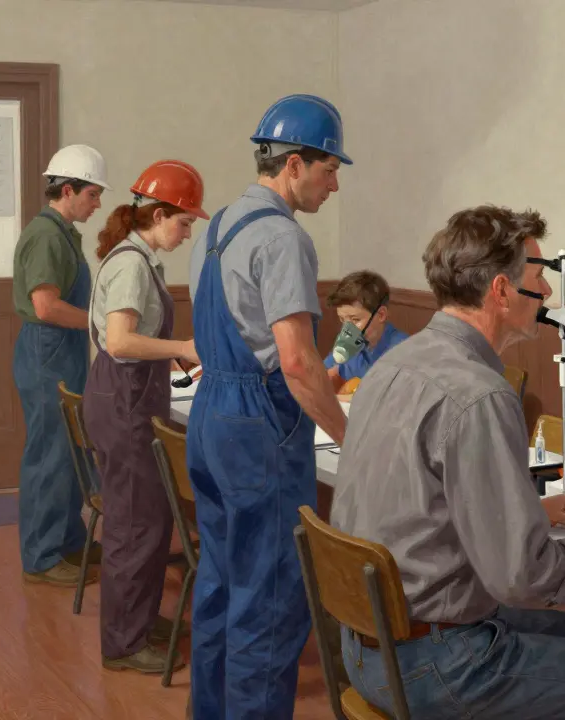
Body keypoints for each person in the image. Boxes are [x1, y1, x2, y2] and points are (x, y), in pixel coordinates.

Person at [330, 205, 565, 720]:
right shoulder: (479, 394)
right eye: (539, 280)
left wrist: (526, 512)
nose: (546, 295)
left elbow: (414, 503)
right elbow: (525, 577)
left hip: (366, 645)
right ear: (501, 291)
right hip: (432, 664)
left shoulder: (393, 366)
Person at [185, 93, 351, 719]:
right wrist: (347, 435)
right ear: (293, 165)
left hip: (211, 416)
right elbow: (299, 363)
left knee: (222, 584)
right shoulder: (283, 237)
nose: (333, 186)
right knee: (272, 598)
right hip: (259, 426)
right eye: (329, 169)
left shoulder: (218, 223)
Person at [82, 160, 206, 674]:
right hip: (124, 400)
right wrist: (182, 345)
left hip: (127, 396)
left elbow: (135, 337)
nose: (185, 234)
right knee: (136, 526)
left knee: (148, 521)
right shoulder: (132, 263)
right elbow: (119, 341)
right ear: (158, 215)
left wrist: (172, 356)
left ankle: (134, 619)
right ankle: (124, 644)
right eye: (183, 223)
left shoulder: (136, 255)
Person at [12, 143, 109, 586]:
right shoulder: (47, 235)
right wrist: (99, 323)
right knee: (49, 455)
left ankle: (70, 542)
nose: (97, 204)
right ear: (67, 190)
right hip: (47, 351)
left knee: (68, 452)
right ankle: (42, 556)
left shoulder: (64, 232)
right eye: (92, 194)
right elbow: (47, 306)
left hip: (62, 353)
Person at [323, 270, 408, 392]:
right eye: (342, 320)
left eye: (355, 319)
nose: (347, 330)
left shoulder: (402, 351)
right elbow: (323, 374)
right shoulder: (350, 347)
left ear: (381, 315)